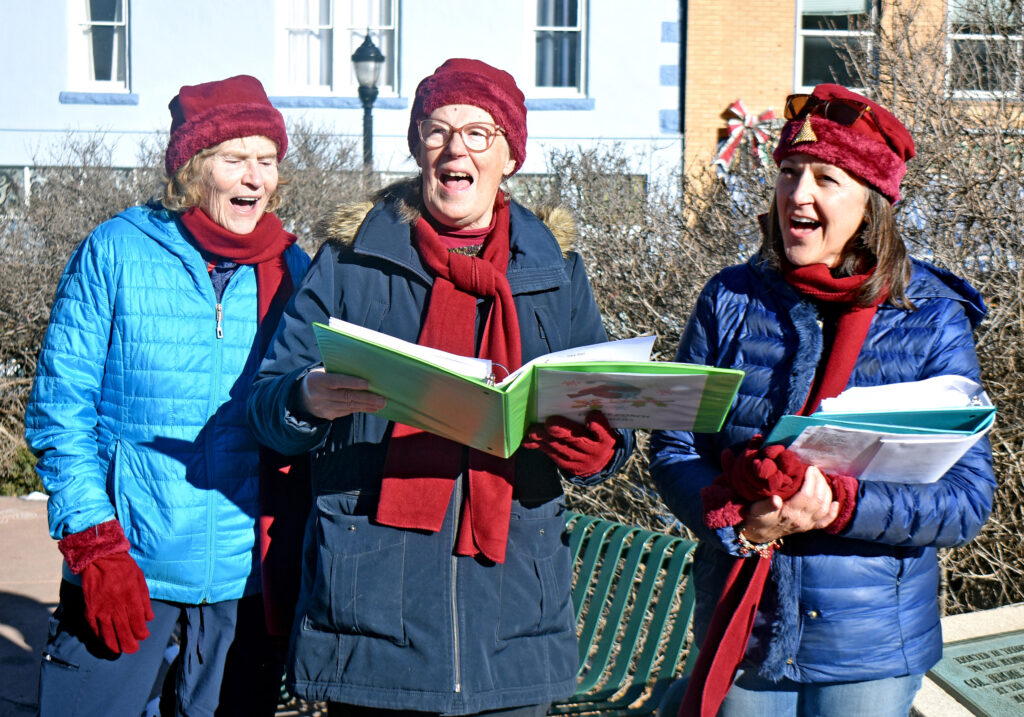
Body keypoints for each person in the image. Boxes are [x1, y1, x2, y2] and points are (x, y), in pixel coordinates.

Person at [247, 58, 633, 716]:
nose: (456, 148)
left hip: (514, 620)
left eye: (480, 133)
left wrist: (601, 446)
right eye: (438, 130)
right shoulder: (349, 261)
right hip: (372, 620)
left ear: (510, 155)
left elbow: (609, 418)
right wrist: (306, 398)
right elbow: (266, 406)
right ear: (417, 146)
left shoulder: (556, 270)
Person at [649, 84, 995, 717]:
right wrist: (733, 515)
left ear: (873, 202)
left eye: (826, 178)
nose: (797, 195)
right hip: (746, 626)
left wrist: (839, 505)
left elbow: (966, 501)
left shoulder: (932, 318)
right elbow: (672, 444)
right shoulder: (729, 300)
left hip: (871, 646)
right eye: (788, 172)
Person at [24, 74, 311, 716]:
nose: (253, 178)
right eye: (234, 159)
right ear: (191, 167)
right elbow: (57, 414)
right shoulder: (115, 252)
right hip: (128, 571)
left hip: (242, 586)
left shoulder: (291, 269)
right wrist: (94, 546)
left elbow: (300, 420)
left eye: (266, 161)